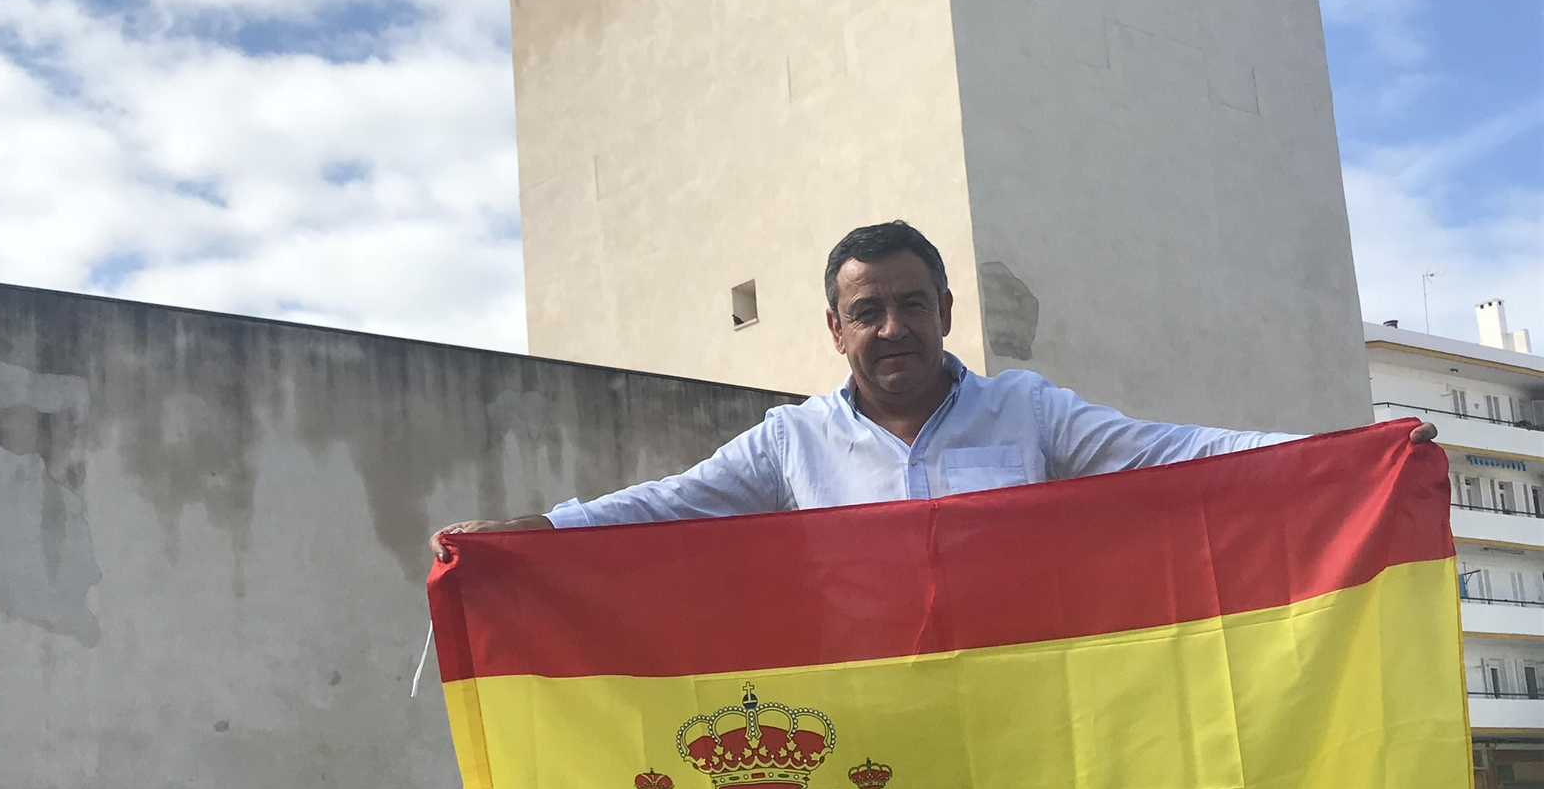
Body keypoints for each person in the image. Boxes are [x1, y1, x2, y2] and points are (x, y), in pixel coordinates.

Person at [431, 221, 1435, 560]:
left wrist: (1346, 454)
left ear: (946, 310)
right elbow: (663, 510)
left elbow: (1175, 453)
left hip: (1027, 709)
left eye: (911, 304)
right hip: (874, 730)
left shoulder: (1029, 412)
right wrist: (541, 536)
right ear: (835, 330)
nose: (891, 328)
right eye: (866, 311)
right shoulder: (789, 447)